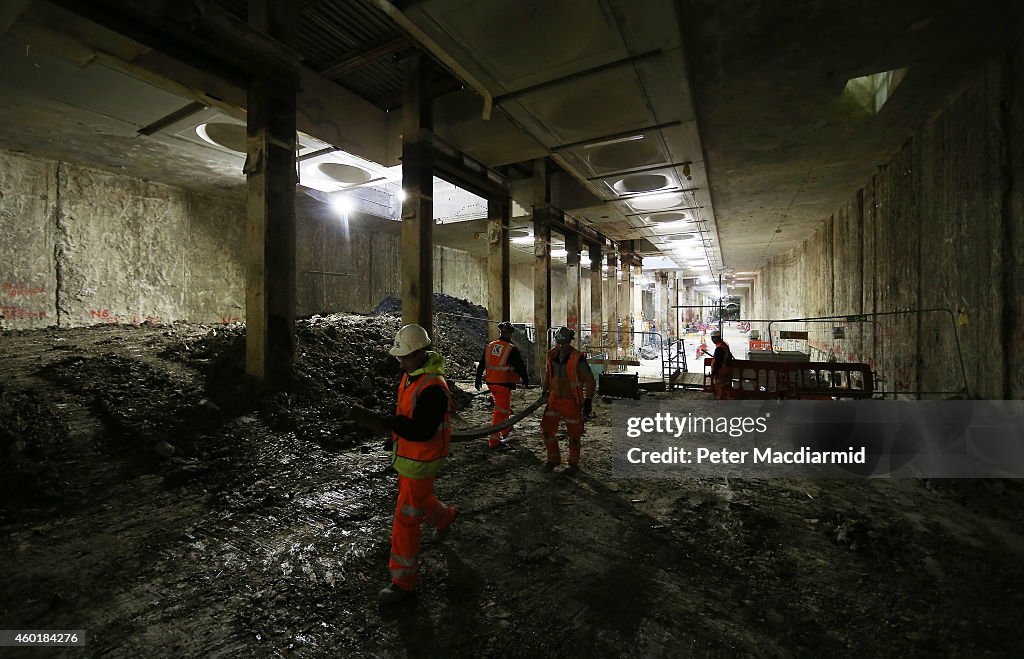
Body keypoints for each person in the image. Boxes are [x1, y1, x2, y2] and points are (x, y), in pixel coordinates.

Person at [348, 324, 457, 604]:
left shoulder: (432, 387)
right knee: (419, 500)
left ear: (421, 352)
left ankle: (403, 582)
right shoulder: (412, 375)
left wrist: (387, 425)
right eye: (399, 357)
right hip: (410, 459)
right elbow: (408, 418)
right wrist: (394, 434)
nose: (400, 361)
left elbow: (421, 430)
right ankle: (444, 517)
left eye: (405, 356)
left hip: (422, 460)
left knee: (406, 520)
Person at [540, 326, 596, 474]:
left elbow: (589, 380)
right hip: (554, 400)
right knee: (547, 430)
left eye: (563, 343)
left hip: (571, 402)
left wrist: (588, 399)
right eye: (558, 342)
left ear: (569, 341)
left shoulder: (578, 358)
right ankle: (553, 459)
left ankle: (573, 463)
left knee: (574, 434)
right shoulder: (551, 355)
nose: (561, 346)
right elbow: (549, 374)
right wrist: (544, 390)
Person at [475, 321, 530, 448]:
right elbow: (520, 366)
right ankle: (494, 441)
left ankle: (505, 431)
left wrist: (478, 379)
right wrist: (525, 378)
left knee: (504, 408)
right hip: (503, 384)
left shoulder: (490, 346)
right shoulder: (511, 349)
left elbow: (482, 363)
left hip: (491, 383)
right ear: (511, 334)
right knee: (500, 412)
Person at [710, 330, 734, 399]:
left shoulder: (719, 348)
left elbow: (718, 361)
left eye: (713, 338)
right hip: (726, 369)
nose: (712, 340)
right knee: (725, 386)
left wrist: (715, 371)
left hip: (721, 371)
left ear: (716, 338)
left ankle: (721, 400)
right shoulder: (724, 345)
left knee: (720, 386)